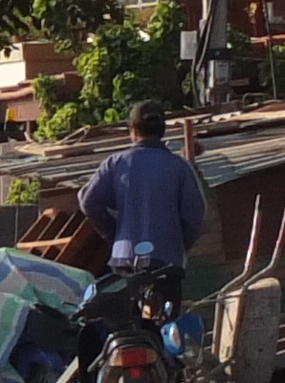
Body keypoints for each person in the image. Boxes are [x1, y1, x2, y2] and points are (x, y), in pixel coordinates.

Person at [80, 105, 213, 301]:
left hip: (124, 260)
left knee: (127, 325)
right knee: (164, 327)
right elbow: (195, 216)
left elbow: (88, 201)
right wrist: (178, 245)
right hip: (166, 263)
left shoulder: (116, 163)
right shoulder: (180, 167)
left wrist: (114, 233)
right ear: (162, 131)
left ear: (133, 129)